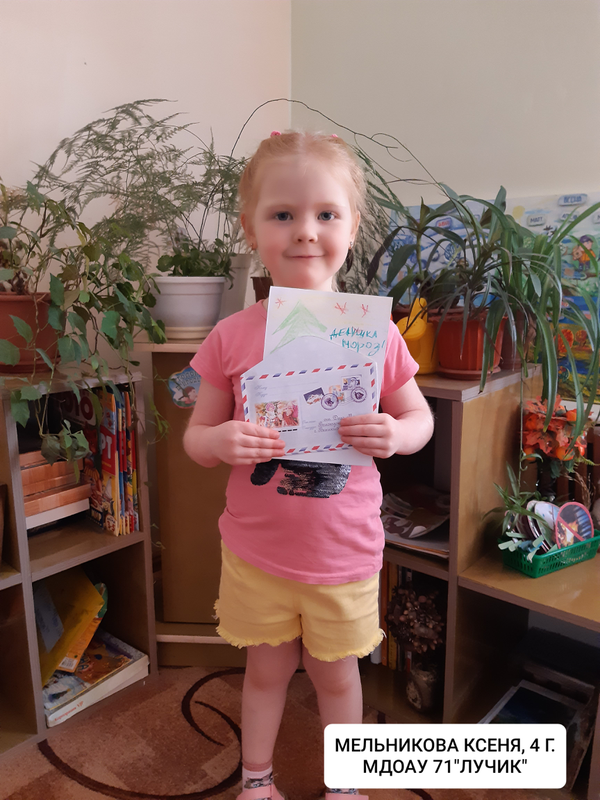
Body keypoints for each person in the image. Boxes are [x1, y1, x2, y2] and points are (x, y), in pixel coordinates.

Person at [183, 131, 434, 800]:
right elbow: (196, 438)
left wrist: (396, 433)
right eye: (282, 214)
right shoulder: (231, 335)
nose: (305, 231)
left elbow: (420, 419)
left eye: (326, 213)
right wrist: (221, 440)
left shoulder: (375, 333)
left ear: (352, 224)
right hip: (258, 553)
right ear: (251, 228)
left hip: (343, 553)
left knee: (337, 675)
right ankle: (256, 780)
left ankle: (344, 786)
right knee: (265, 674)